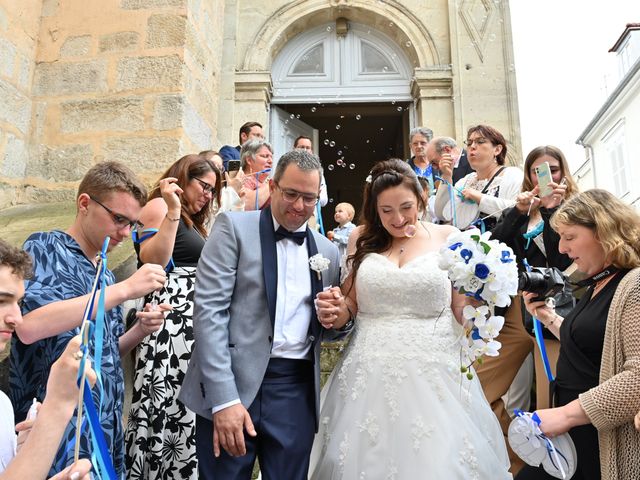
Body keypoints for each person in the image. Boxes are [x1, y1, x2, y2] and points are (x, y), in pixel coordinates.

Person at [308, 159, 511, 479]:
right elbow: (350, 302)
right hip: (367, 368)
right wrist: (334, 309)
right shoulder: (360, 238)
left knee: (437, 460)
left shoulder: (449, 236)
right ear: (374, 209)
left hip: (434, 367)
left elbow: (460, 305)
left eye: (406, 207)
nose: (398, 219)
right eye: (386, 211)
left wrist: (477, 316)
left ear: (421, 199)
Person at [179, 149, 348, 479]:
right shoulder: (232, 227)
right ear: (272, 186)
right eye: (291, 194)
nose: (299, 206)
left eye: (309, 199)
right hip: (233, 381)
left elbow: (329, 328)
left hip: (295, 389)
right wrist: (224, 400)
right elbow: (209, 313)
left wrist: (338, 317)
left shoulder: (327, 251)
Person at [9, 162, 170, 477]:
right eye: (118, 219)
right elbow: (28, 328)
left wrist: (138, 330)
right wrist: (124, 290)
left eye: (132, 224)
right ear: (84, 204)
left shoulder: (105, 274)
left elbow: (103, 356)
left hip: (103, 429)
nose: (125, 233)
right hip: (55, 431)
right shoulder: (44, 246)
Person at [516, 189, 640, 480]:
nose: (560, 248)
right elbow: (593, 345)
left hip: (602, 438)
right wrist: (547, 318)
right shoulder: (597, 283)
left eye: (569, 237)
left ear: (604, 232)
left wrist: (566, 415)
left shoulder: (633, 286)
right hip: (577, 434)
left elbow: (637, 376)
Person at [125, 154, 221, 479]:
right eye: (203, 186)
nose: (207, 195)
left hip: (193, 325)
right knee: (165, 404)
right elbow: (152, 258)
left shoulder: (196, 223)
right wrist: (174, 211)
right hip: (170, 321)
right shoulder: (158, 207)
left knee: (185, 410)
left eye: (213, 190)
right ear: (183, 178)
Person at [492, 146, 579, 411]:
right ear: (529, 175)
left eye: (553, 169)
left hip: (554, 305)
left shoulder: (577, 208)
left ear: (563, 171)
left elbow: (561, 260)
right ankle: (506, 444)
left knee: (548, 391)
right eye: (538, 170)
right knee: (491, 385)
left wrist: (554, 210)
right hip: (515, 307)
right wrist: (517, 212)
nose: (547, 176)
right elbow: (494, 244)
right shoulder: (523, 208)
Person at [0, 239, 92, 480]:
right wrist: (58, 405)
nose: (16, 318)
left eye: (18, 303)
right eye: (2, 301)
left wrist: (25, 453)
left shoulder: (3, 405)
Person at [434, 124, 523, 231]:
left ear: (497, 150)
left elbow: (517, 211)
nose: (472, 146)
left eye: (480, 142)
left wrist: (480, 198)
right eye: (469, 143)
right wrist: (447, 176)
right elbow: (442, 214)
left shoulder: (512, 175)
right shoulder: (466, 180)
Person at [294, 136, 328, 232]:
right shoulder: (287, 168)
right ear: (294, 149)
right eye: (301, 147)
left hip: (310, 218)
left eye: (308, 148)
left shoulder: (318, 172)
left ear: (311, 151)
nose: (305, 150)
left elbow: (324, 200)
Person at [240, 139, 273, 211]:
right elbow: (246, 206)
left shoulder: (267, 182)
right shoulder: (240, 181)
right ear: (249, 160)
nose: (271, 161)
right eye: (265, 156)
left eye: (271, 157)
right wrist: (273, 183)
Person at [407, 127, 435, 193]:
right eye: (415, 143)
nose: (419, 146)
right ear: (410, 146)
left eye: (423, 143)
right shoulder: (405, 168)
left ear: (430, 144)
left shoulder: (439, 166)